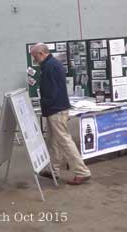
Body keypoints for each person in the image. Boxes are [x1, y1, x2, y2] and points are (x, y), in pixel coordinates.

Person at [30, 43, 91, 185]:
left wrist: (44, 104)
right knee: (54, 141)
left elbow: (50, 91)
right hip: (57, 108)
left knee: (64, 141)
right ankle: (54, 170)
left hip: (55, 109)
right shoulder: (52, 64)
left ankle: (82, 171)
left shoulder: (50, 66)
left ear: (41, 53)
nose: (34, 59)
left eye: (34, 56)